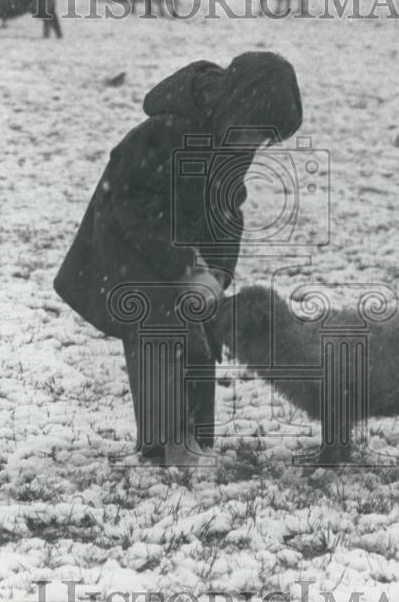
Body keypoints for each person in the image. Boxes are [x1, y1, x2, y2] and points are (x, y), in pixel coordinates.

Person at [54, 51, 303, 464]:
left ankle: (195, 440)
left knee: (200, 332)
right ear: (237, 106)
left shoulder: (234, 136)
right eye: (254, 133)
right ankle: (162, 446)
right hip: (127, 241)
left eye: (264, 139)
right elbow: (128, 200)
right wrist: (184, 266)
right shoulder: (166, 130)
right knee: (158, 328)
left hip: (183, 244)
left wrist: (216, 274)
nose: (255, 145)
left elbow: (227, 209)